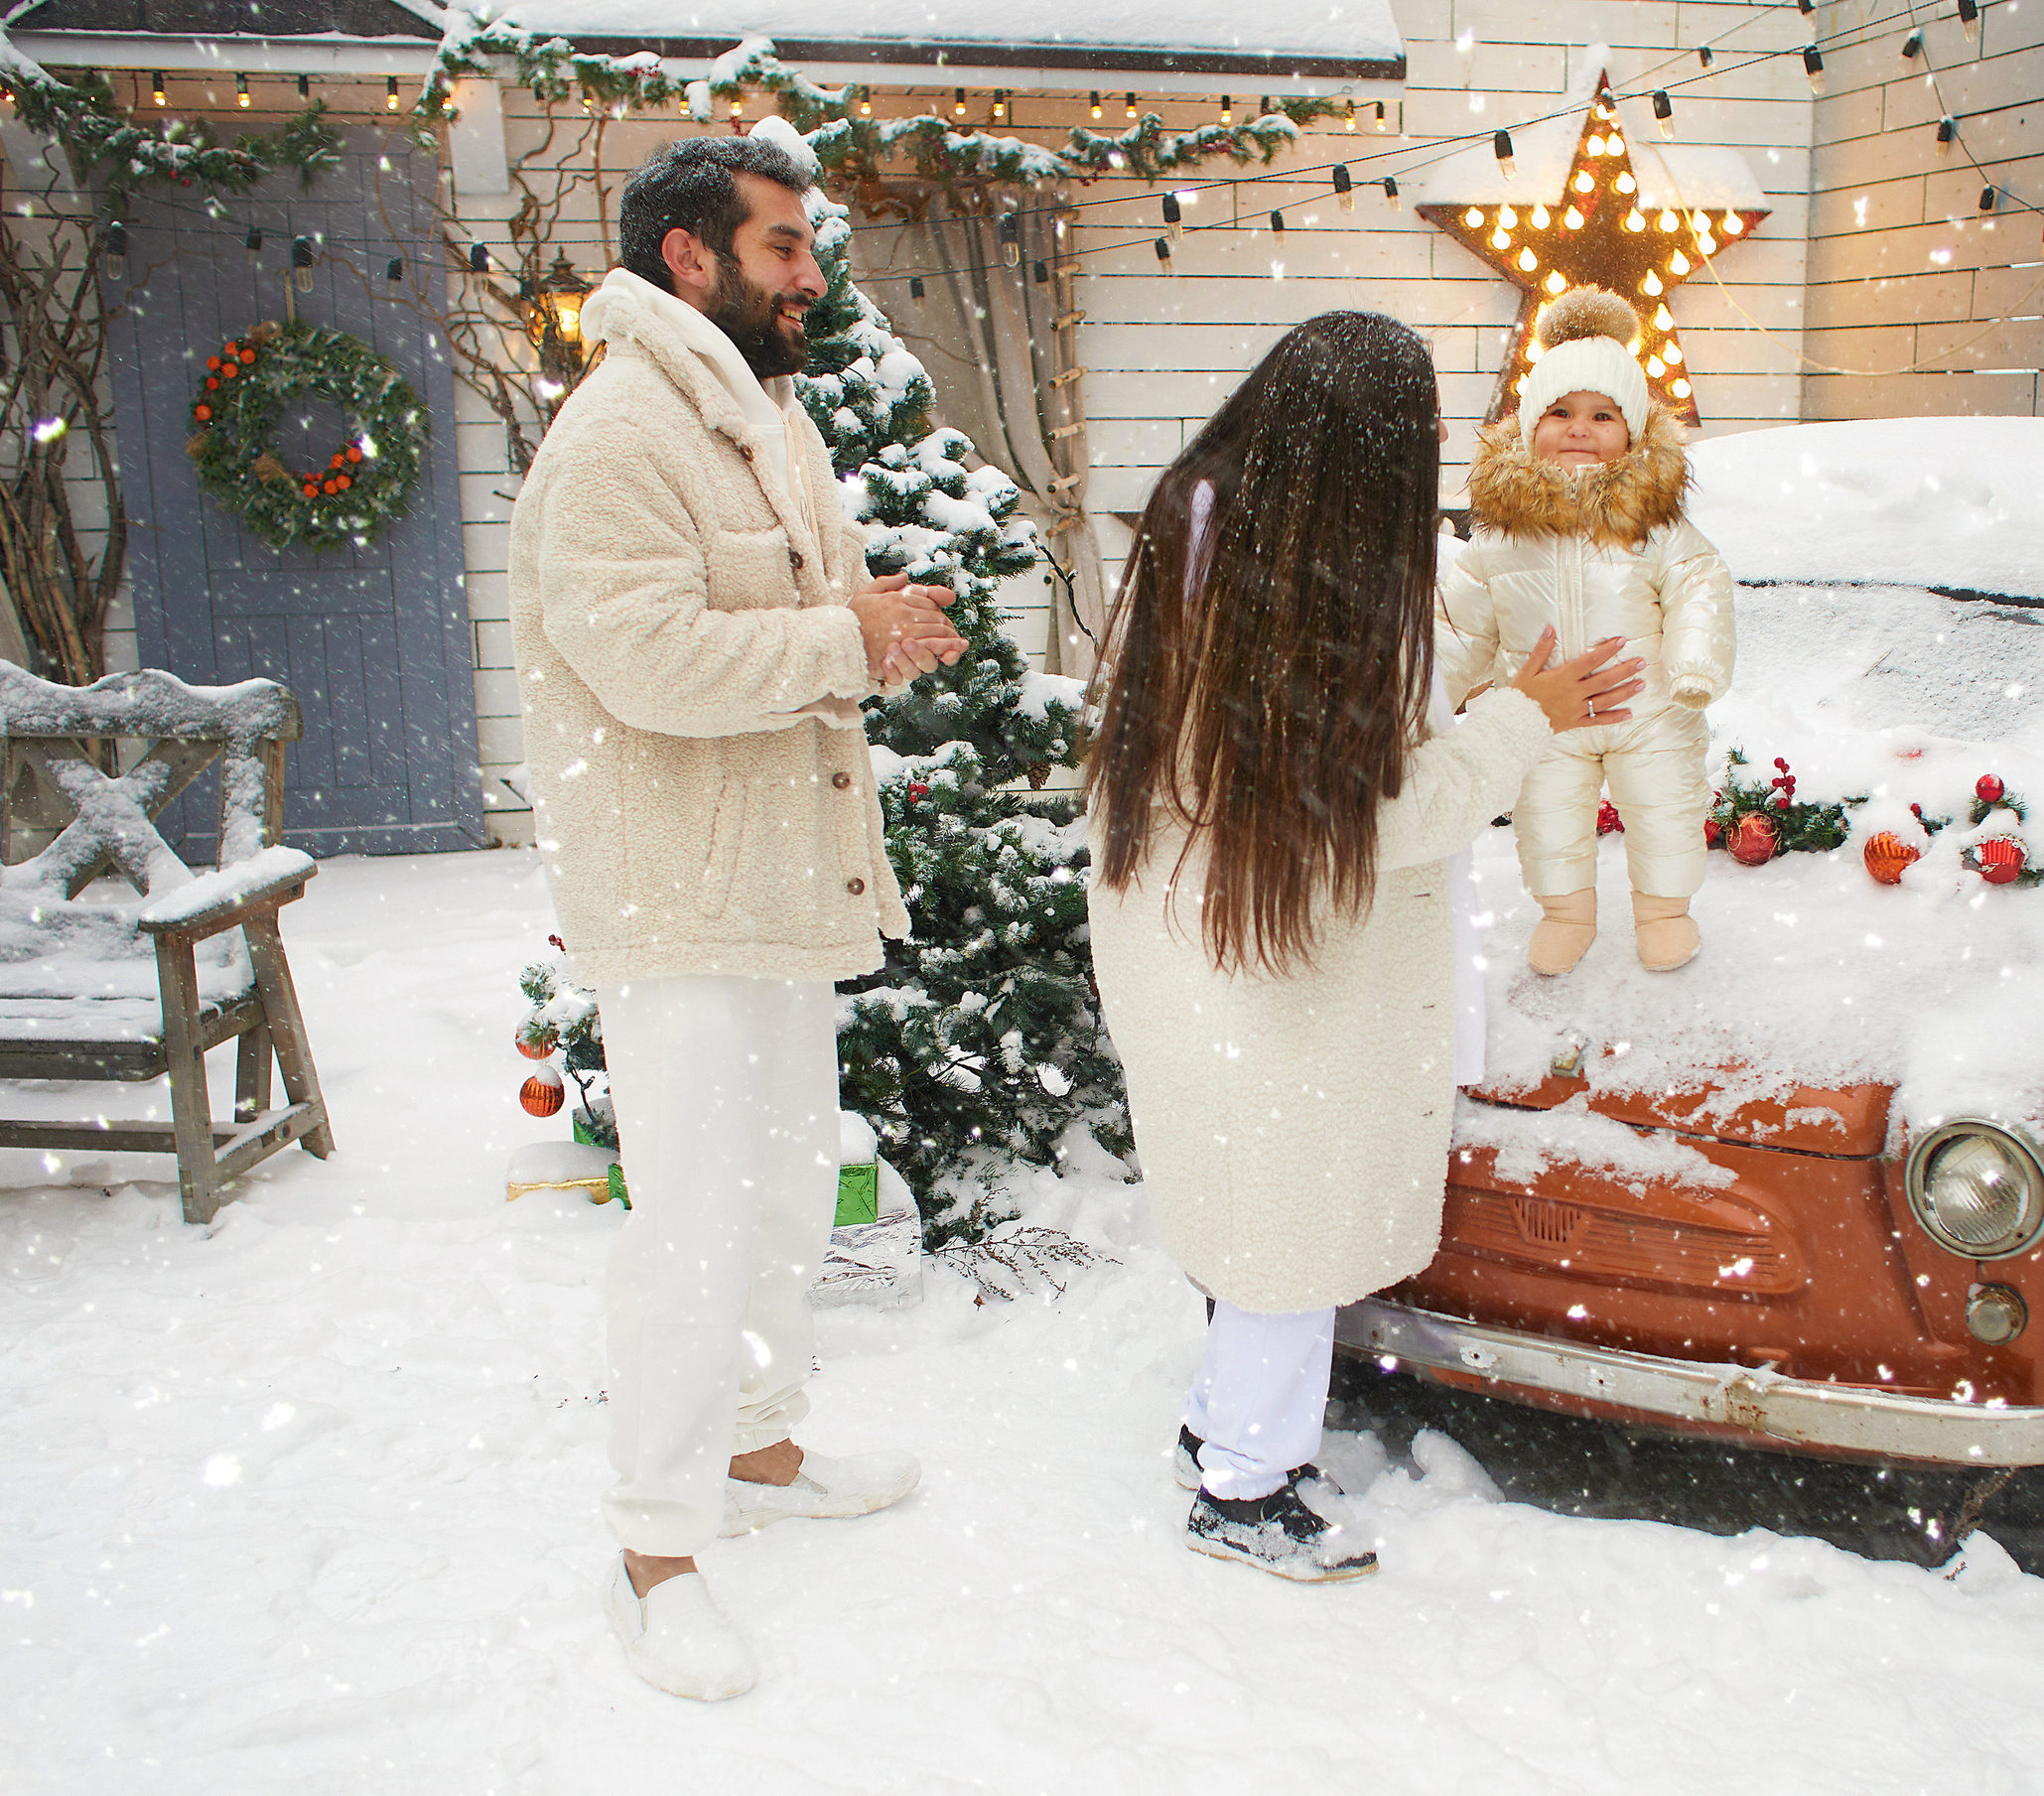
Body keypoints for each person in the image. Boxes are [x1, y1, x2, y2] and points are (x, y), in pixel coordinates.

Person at [509, 130, 969, 1702]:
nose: (812, 273)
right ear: (688, 255)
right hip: (678, 895)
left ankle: (760, 1454)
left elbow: (792, 619)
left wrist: (870, 631)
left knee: (779, 1196)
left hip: (772, 880)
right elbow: (644, 659)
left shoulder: (760, 415)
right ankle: (654, 1551)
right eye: (784, 245)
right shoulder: (621, 432)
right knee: (693, 1228)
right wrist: (841, 637)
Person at [1083, 311, 1642, 1582]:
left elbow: (1296, 767)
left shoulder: (1215, 524)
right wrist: (1521, 719)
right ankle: (1245, 1491)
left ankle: (1221, 1426)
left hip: (1199, 938)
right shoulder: (1297, 584)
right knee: (1289, 1226)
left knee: (1255, 1207)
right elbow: (1369, 816)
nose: (1436, 446)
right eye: (1419, 427)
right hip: (1277, 966)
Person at [1436, 287, 1736, 976]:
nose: (1579, 429)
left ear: (1633, 432)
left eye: (1603, 415)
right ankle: (1565, 914)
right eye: (1560, 412)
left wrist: (1695, 663)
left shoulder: (1654, 525)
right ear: (1528, 426)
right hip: (1545, 717)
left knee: (1664, 809)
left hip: (1648, 711)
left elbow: (1699, 584)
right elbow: (1460, 624)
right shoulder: (1501, 535)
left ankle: (1664, 912)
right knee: (1547, 819)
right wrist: (1430, 695)